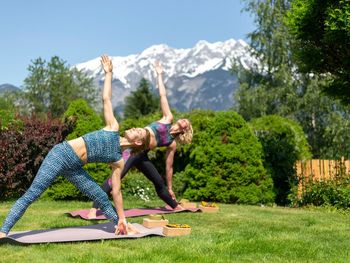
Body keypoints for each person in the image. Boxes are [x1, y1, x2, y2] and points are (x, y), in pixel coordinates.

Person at [0, 55, 150, 238]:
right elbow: (106, 99)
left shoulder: (118, 161)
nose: (134, 128)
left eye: (139, 132)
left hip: (74, 167)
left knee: (101, 196)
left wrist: (122, 217)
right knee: (33, 194)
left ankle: (121, 226)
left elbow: (116, 191)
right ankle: (3, 231)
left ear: (138, 142)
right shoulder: (113, 127)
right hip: (61, 155)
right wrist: (109, 74)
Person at [87, 60, 193, 219]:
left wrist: (170, 187)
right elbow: (162, 95)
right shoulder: (167, 118)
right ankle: (93, 209)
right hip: (132, 151)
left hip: (142, 155)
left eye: (187, 123)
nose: (185, 120)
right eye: (185, 119)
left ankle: (175, 206)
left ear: (185, 130)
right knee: (115, 178)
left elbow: (169, 167)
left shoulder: (172, 143)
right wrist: (159, 74)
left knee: (158, 182)